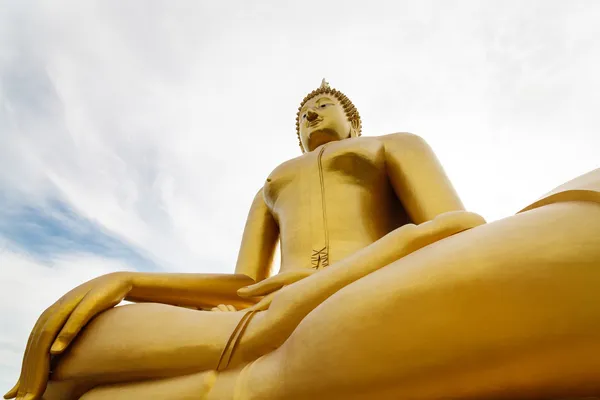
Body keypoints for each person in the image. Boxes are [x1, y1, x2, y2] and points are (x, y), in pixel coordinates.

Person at [6, 80, 600, 400]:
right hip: (263, 310)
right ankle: (254, 358)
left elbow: (457, 228)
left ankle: (246, 372)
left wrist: (336, 283)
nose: (314, 115)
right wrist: (131, 281)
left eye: (325, 105)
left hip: (377, 285)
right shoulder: (273, 183)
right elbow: (242, 283)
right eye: (305, 113)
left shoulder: (390, 145)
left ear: (351, 119)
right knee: (79, 347)